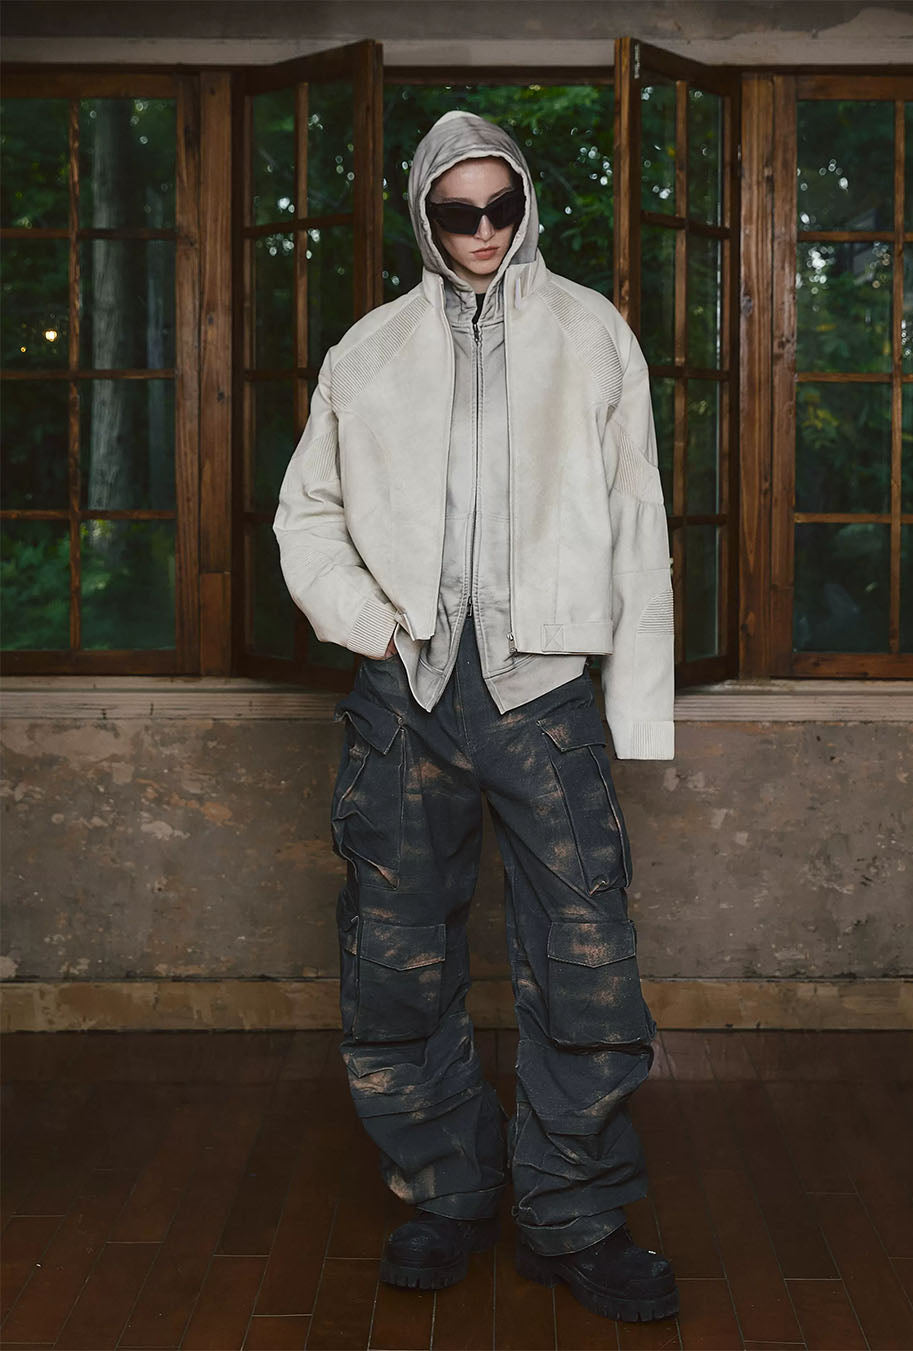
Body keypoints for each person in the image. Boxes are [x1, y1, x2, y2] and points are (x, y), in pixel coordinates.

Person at [274, 110, 678, 1324]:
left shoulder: (592, 335)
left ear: (527, 206)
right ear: (424, 216)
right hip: (404, 698)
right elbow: (306, 512)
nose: (485, 231)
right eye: (460, 212)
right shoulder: (367, 351)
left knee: (588, 963)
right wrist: (370, 625)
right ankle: (444, 1189)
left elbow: (638, 520)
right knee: (393, 960)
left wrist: (632, 705)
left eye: (503, 208)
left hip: (543, 696)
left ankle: (572, 1212)